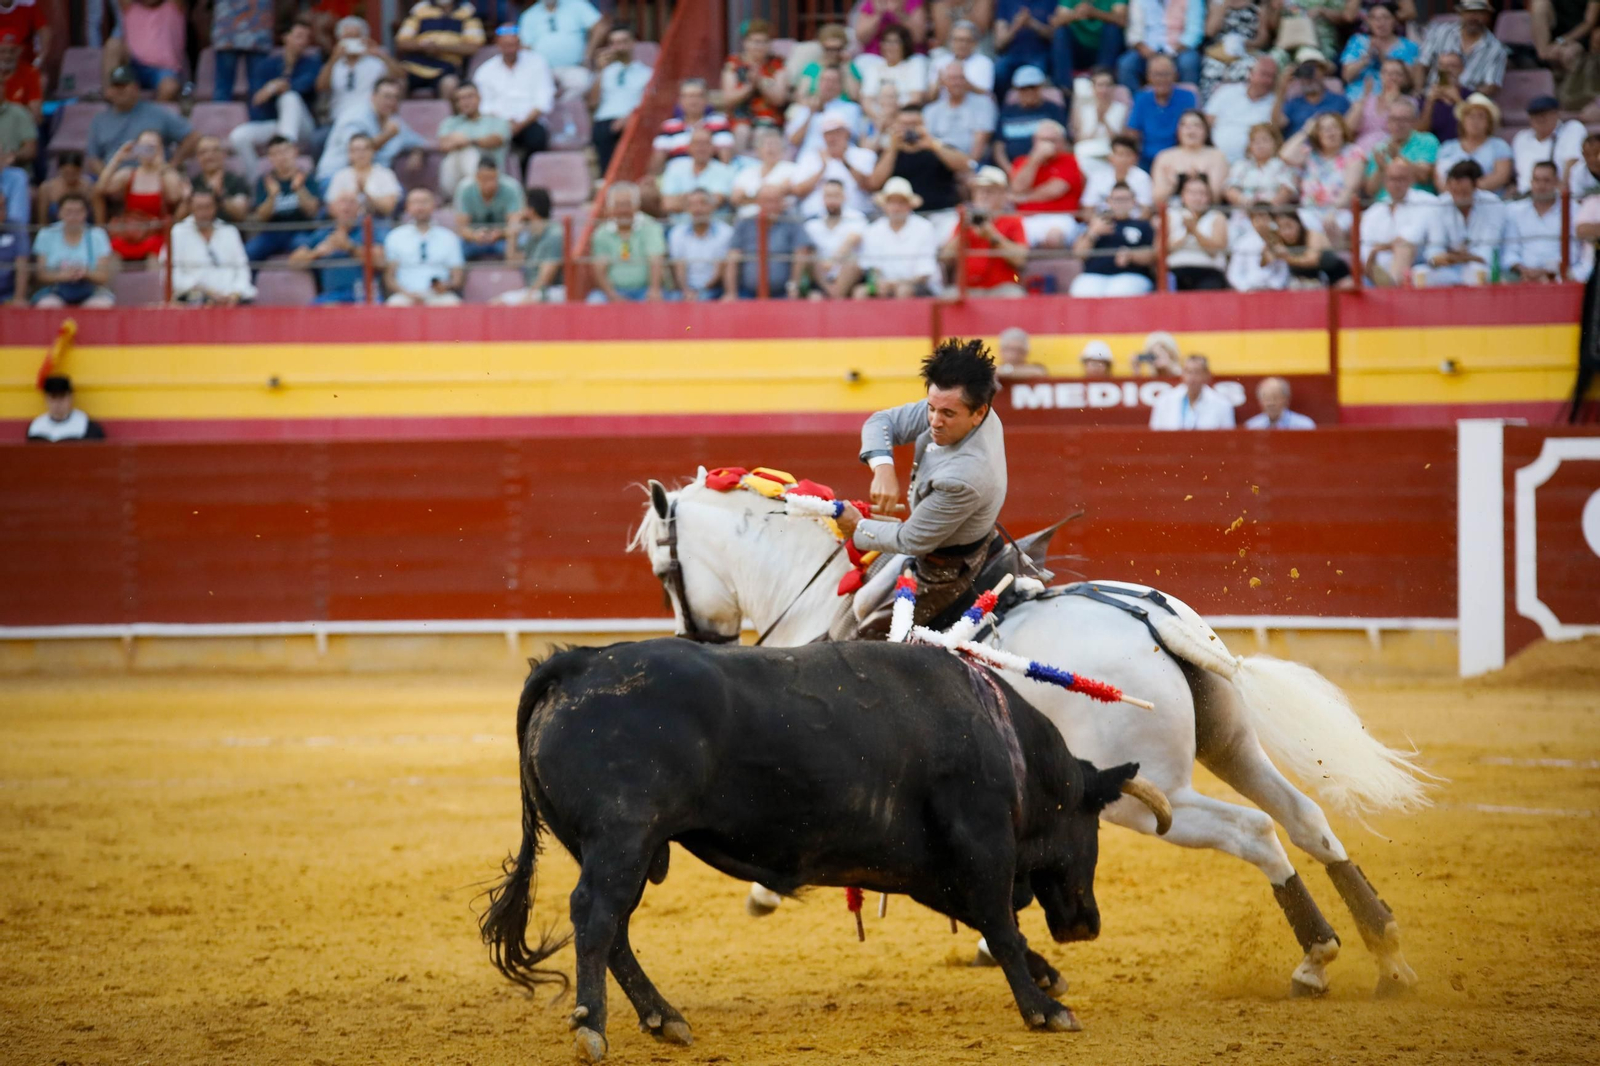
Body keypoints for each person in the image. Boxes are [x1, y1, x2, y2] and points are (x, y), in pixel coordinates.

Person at [834, 337, 1008, 636]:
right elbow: (882, 421)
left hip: (945, 570)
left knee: (862, 640)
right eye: (931, 409)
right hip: (946, 535)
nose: (935, 422)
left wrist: (857, 527)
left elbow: (912, 540)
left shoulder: (965, 475)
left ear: (979, 412)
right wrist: (883, 467)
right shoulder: (956, 404)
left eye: (947, 415)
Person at [230, 18, 320, 178]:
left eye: (307, 37)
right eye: (299, 36)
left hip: (304, 127)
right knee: (238, 136)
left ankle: (285, 153)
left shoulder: (312, 63)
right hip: (275, 124)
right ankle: (256, 181)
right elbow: (257, 99)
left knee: (289, 97)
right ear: (286, 37)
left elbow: (302, 86)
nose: (304, 41)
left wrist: (274, 87)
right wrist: (273, 87)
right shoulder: (268, 64)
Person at [869, 103, 968, 233]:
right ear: (896, 125)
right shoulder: (888, 152)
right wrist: (892, 149)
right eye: (905, 124)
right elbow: (874, 183)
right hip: (903, 218)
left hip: (941, 215)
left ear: (924, 125)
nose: (910, 129)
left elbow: (964, 165)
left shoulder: (937, 146)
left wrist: (932, 145)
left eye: (915, 124)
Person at [474, 24, 557, 174]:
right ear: (497, 45)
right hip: (498, 123)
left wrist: (520, 124)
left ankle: (529, 180)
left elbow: (544, 100)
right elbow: (484, 105)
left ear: (519, 44)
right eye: (506, 45)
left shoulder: (537, 63)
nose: (510, 49)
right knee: (488, 141)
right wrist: (505, 124)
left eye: (513, 45)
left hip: (529, 121)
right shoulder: (485, 71)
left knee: (537, 139)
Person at [86, 65, 195, 176]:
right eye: (116, 86)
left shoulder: (156, 112)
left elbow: (192, 137)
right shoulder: (99, 120)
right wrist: (107, 177)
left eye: (124, 85)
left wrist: (171, 165)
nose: (120, 90)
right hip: (114, 180)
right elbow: (93, 158)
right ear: (108, 90)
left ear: (136, 88)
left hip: (153, 178)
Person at [1414, 160, 1507, 288]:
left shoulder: (1493, 205)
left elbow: (1488, 252)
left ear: (1475, 186)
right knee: (1419, 274)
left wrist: (1455, 257)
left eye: (1464, 192)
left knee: (1476, 273)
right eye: (1455, 192)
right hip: (1449, 268)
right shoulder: (1440, 206)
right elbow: (1434, 251)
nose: (1459, 197)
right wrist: (1454, 258)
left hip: (1481, 267)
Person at [95, 129, 183, 261]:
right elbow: (101, 188)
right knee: (113, 254)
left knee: (154, 255)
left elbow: (175, 196)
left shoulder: (166, 174)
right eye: (144, 147)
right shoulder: (129, 174)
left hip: (155, 235)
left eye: (152, 147)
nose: (148, 151)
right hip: (129, 233)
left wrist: (162, 165)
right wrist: (118, 158)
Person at [942, 165, 1028, 297]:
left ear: (1003, 195)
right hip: (967, 288)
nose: (983, 196)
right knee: (948, 297)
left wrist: (992, 236)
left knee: (1015, 296)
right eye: (979, 191)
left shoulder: (1013, 220)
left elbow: (1020, 260)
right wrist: (963, 234)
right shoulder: (964, 220)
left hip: (1002, 288)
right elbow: (946, 258)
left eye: (990, 191)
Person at [317, 79, 426, 183]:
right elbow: (357, 151)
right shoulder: (355, 117)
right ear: (373, 97)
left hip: (375, 181)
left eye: (396, 98)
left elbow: (419, 142)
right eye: (387, 96)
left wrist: (416, 153)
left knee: (401, 196)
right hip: (337, 177)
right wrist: (387, 135)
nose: (391, 102)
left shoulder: (394, 121)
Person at [1282, 112, 1364, 241]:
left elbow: (1350, 189)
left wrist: (1332, 213)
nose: (1330, 132)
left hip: (1339, 211)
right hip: (1308, 211)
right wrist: (1305, 131)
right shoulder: (1310, 153)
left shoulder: (1352, 152)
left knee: (1328, 226)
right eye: (1324, 129)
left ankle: (1320, 257)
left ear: (1342, 131)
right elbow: (1286, 155)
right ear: (1317, 134)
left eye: (1335, 127)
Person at [166, 188, 255, 306]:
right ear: (191, 207)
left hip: (231, 303)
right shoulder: (178, 233)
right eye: (199, 207)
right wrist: (204, 291)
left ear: (215, 207)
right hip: (192, 303)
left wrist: (235, 294)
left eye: (208, 207)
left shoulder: (229, 231)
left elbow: (243, 271)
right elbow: (171, 277)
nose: (203, 213)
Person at [855, 176, 940, 298]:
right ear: (885, 206)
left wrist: (897, 284)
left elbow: (924, 274)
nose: (896, 208)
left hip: (917, 286)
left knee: (903, 291)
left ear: (909, 205)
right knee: (860, 292)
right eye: (892, 203)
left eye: (901, 203)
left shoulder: (925, 228)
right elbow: (871, 268)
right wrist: (879, 284)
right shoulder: (873, 230)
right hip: (884, 285)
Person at [725, 183, 812, 299]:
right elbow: (733, 257)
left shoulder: (792, 222)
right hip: (746, 293)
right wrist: (731, 293)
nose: (771, 206)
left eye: (775, 201)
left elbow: (801, 253)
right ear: (758, 202)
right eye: (767, 201)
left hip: (783, 294)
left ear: (782, 202)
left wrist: (793, 286)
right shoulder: (744, 223)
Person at [1070, 180, 1156, 295]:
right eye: (1116, 199)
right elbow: (1079, 254)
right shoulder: (1097, 224)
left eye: (1124, 199)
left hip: (1130, 275)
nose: (1120, 203)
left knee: (1118, 292)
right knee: (1081, 291)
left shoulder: (1143, 225)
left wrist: (1131, 255)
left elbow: (1153, 256)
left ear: (1133, 202)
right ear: (1108, 201)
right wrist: (1093, 232)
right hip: (1093, 275)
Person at [31, 193, 116, 308]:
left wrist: (85, 273)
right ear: (59, 213)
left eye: (78, 212)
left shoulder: (97, 235)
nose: (73, 216)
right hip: (57, 290)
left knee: (101, 305)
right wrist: (63, 275)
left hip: (90, 290)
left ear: (86, 213)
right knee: (47, 305)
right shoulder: (46, 234)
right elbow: (41, 275)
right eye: (68, 212)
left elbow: (103, 276)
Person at [382, 188, 465, 306]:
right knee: (393, 305)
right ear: (407, 206)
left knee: (454, 304)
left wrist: (445, 286)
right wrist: (407, 293)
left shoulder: (449, 237)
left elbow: (457, 278)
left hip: (439, 296)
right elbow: (389, 277)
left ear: (434, 205)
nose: (420, 207)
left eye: (424, 202)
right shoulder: (395, 236)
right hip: (405, 295)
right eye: (415, 202)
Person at [316, 17, 407, 123]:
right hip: (338, 120)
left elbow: (400, 75)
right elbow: (321, 87)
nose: (351, 42)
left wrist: (379, 54)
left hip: (370, 120)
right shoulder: (333, 64)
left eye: (356, 37)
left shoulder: (376, 62)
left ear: (364, 39)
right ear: (339, 40)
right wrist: (333, 59)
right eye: (347, 37)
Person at [589, 24, 653, 175]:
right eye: (615, 43)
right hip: (605, 120)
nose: (619, 47)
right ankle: (607, 178)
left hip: (633, 118)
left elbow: (649, 104)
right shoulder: (603, 72)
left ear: (633, 43)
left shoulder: (647, 73)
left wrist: (629, 117)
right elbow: (592, 103)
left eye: (624, 41)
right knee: (602, 132)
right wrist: (600, 72)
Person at [588, 181, 667, 303]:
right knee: (594, 301)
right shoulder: (601, 233)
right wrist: (612, 295)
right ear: (610, 208)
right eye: (619, 205)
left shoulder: (651, 227)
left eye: (627, 204)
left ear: (637, 206)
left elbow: (656, 260)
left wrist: (654, 290)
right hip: (614, 291)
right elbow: (599, 270)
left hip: (644, 290)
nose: (623, 210)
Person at [1009, 118, 1084, 246]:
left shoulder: (1069, 160)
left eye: (1052, 140)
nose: (1047, 145)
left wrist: (1022, 198)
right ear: (1034, 141)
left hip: (1058, 217)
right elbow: (1017, 188)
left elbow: (1055, 190)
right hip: (1026, 217)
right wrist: (1035, 159)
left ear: (1062, 142)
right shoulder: (1022, 161)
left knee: (1053, 238)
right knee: (1014, 241)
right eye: (1043, 140)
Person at [1357, 157, 1431, 285]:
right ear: (1385, 181)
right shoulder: (1375, 211)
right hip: (1375, 272)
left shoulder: (1425, 202)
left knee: (1403, 248)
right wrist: (1377, 252)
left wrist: (1378, 248)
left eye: (1401, 179)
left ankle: (1392, 289)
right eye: (1392, 179)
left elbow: (1411, 238)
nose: (1396, 184)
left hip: (1413, 267)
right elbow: (1365, 248)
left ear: (1411, 180)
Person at [247, 135, 322, 261]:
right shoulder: (264, 181)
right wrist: (272, 196)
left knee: (309, 252)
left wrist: (299, 189)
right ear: (270, 158)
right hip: (272, 233)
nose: (281, 157)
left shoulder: (306, 177)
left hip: (300, 231)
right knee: (249, 253)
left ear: (295, 152)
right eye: (275, 154)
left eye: (285, 151)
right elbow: (261, 217)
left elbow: (313, 211)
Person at [288, 191, 371, 304]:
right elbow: (293, 262)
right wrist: (317, 252)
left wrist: (350, 247)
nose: (346, 207)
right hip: (331, 296)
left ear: (359, 209)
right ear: (331, 208)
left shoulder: (367, 229)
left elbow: (380, 260)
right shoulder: (322, 233)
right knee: (312, 313)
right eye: (342, 202)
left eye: (352, 202)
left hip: (363, 294)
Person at [791, 113, 879, 219]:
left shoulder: (864, 155)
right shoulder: (810, 157)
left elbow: (870, 186)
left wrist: (844, 161)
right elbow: (798, 191)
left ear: (847, 133)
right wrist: (822, 168)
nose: (832, 138)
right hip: (815, 218)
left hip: (855, 219)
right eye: (828, 134)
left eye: (837, 132)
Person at [1505, 161, 1580, 283]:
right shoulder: (1515, 211)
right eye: (1537, 180)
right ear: (1531, 182)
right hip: (1522, 276)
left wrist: (1547, 271)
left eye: (1546, 181)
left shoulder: (1572, 209)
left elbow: (1574, 252)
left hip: (1559, 276)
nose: (1541, 186)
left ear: (1557, 183)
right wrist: (1523, 269)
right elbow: (1510, 251)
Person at [1415, 0, 1506, 99]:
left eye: (1479, 12)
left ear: (1487, 16)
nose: (1473, 17)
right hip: (1433, 95)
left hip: (1468, 102)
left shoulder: (1496, 49)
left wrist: (1462, 96)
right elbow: (1421, 64)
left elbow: (1491, 85)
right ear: (1460, 13)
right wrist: (1419, 90)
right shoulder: (1441, 33)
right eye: (1469, 12)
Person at [394, 0, 483, 100]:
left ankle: (446, 116)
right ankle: (396, 116)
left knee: (450, 84)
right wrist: (423, 47)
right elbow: (401, 42)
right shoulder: (420, 8)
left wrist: (440, 48)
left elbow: (473, 47)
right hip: (415, 66)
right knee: (396, 83)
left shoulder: (468, 11)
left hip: (447, 68)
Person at [517, 0, 606, 96]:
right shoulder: (529, 15)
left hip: (574, 68)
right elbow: (525, 47)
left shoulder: (577, 5)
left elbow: (600, 27)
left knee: (583, 85)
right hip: (544, 72)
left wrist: (589, 54)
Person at [1126, 53, 1198, 171]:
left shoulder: (1188, 97)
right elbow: (1133, 133)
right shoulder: (1141, 98)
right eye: (1156, 75)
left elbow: (1193, 129)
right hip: (1146, 160)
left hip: (1178, 158)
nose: (1161, 79)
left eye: (1166, 74)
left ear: (1175, 75)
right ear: (1148, 77)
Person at [438, 82, 511, 196]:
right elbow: (444, 145)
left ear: (479, 98)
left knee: (467, 151)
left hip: (491, 177)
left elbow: (496, 140)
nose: (465, 102)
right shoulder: (450, 123)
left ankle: (476, 190)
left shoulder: (496, 121)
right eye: (460, 99)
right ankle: (461, 194)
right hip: (456, 177)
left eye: (469, 97)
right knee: (455, 155)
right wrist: (460, 143)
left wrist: (468, 141)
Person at [496, 187, 566, 304]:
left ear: (530, 210)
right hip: (535, 291)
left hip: (554, 291)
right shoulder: (532, 236)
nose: (519, 212)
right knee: (497, 304)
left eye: (522, 207)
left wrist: (528, 296)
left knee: (512, 305)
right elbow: (512, 261)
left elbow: (547, 276)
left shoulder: (555, 234)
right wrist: (512, 234)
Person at [722, 18, 788, 140]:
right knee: (741, 132)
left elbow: (779, 98)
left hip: (769, 117)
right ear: (745, 43)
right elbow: (728, 98)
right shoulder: (734, 64)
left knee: (762, 133)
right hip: (740, 116)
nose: (759, 46)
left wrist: (760, 82)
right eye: (755, 42)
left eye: (764, 42)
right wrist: (750, 86)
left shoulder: (777, 65)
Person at [993, 66, 1069, 172]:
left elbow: (1063, 142)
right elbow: (999, 147)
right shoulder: (1007, 112)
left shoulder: (1053, 110)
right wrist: (1010, 170)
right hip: (1012, 169)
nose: (1029, 92)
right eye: (1023, 88)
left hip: (1047, 168)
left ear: (1041, 87)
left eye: (1033, 87)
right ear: (1016, 89)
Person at [803, 179, 869, 300]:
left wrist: (832, 261)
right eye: (828, 196)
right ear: (822, 198)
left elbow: (853, 239)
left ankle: (834, 296)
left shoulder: (856, 218)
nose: (832, 200)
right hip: (822, 277)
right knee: (811, 258)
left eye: (836, 195)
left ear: (844, 196)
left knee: (851, 263)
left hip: (849, 277)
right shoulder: (812, 223)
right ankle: (834, 295)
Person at [1117, 0, 1204, 92]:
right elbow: (1134, 33)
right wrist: (1147, 51)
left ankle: (1188, 102)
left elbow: (1194, 32)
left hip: (1179, 49)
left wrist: (1172, 53)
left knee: (1189, 62)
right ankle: (1137, 103)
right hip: (1148, 50)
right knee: (1126, 64)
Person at [1205, 55, 1279, 163]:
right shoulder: (1226, 91)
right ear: (1251, 73)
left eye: (1272, 77)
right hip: (1216, 160)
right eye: (1264, 74)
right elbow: (1207, 122)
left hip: (1252, 164)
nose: (1267, 81)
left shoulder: (1275, 102)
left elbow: (1277, 131)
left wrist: (1281, 91)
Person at [105, 0, 184, 101]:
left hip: (162, 70)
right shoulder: (129, 6)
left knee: (169, 88)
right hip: (134, 66)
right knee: (113, 45)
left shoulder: (174, 6)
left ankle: (151, 116)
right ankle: (109, 99)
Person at [1435, 93, 1512, 196]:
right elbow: (1439, 179)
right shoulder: (1447, 147)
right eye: (1470, 116)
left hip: (1488, 202)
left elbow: (1501, 176)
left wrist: (1466, 190)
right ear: (1463, 120)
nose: (1475, 121)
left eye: (1481, 116)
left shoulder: (1499, 146)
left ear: (1488, 122)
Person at [1362, 96, 1437, 198]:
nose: (1398, 124)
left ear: (1414, 121)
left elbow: (1424, 176)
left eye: (1404, 119)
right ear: (1388, 121)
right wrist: (1381, 169)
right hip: (1385, 205)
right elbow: (1370, 190)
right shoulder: (1380, 147)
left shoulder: (1427, 141)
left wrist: (1397, 157)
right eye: (1394, 119)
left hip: (1416, 203)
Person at [1339, 2, 1417, 100]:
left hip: (1392, 99)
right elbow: (1346, 76)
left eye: (1386, 18)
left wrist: (1382, 57)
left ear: (1395, 20)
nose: (1380, 22)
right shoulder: (1357, 41)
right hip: (1355, 98)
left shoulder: (1408, 46)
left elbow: (1409, 82)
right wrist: (1365, 59)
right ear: (1368, 22)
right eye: (1374, 18)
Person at [659, 126, 737, 224]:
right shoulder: (675, 168)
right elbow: (667, 204)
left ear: (713, 148)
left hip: (714, 228)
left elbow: (717, 201)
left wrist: (682, 199)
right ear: (689, 147)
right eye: (697, 143)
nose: (701, 148)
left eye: (705, 143)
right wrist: (704, 201)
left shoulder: (725, 171)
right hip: (678, 228)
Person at [1199, 0, 1275, 101]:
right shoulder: (1218, 3)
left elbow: (1263, 38)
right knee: (1211, 70)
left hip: (1248, 50)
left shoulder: (1259, 5)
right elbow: (1210, 31)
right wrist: (1224, 6)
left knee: (1245, 70)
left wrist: (1244, 43)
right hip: (1219, 51)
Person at [1512, 96, 1587, 197]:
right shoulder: (1521, 138)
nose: (1539, 118)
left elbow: (1572, 164)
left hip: (1557, 197)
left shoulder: (1572, 129)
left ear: (1556, 113)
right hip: (1525, 196)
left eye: (1544, 113)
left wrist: (1563, 192)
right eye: (1535, 114)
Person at [1151, 109, 1229, 205]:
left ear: (1206, 130)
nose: (1191, 131)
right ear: (1178, 130)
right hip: (1173, 212)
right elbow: (1157, 199)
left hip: (1207, 212)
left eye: (1197, 125)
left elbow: (1216, 197)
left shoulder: (1217, 156)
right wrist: (1174, 184)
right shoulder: (1164, 157)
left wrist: (1199, 181)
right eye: (1185, 126)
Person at [785, 64, 866, 157]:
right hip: (809, 158)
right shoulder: (806, 109)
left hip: (838, 159)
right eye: (825, 80)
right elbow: (794, 140)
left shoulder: (851, 109)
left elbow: (851, 137)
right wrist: (811, 114)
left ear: (841, 86)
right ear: (818, 83)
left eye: (833, 81)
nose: (829, 85)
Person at [652, 79, 736, 168]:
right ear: (680, 100)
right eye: (688, 96)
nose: (693, 101)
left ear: (706, 99)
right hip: (676, 178)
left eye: (698, 96)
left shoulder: (719, 122)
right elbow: (657, 160)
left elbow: (726, 160)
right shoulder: (669, 126)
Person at [1165, 173, 1229, 290]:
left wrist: (1194, 231)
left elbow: (1216, 250)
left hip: (1208, 271)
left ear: (1209, 197)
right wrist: (1186, 234)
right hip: (1175, 271)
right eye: (1192, 193)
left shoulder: (1217, 217)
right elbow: (1161, 249)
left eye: (1202, 193)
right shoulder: (1171, 215)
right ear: (1183, 196)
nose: (1197, 197)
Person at [923, 63, 997, 163]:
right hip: (939, 164)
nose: (956, 83)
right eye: (952, 79)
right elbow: (928, 142)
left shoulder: (983, 104)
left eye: (960, 78)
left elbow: (980, 142)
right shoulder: (931, 110)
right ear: (943, 82)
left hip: (973, 164)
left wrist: (968, 166)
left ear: (966, 81)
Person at [669, 187, 734, 300]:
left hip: (713, 289)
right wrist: (687, 291)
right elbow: (679, 267)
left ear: (712, 207)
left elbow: (719, 271)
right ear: (687, 209)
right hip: (685, 289)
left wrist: (700, 292)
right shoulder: (677, 233)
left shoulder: (725, 232)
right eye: (692, 205)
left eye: (703, 203)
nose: (697, 209)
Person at [455, 157, 525, 260]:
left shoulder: (511, 188)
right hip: (474, 240)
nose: (490, 184)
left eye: (493, 178)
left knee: (524, 242)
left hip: (503, 239)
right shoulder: (465, 189)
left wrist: (501, 233)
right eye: (485, 179)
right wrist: (475, 235)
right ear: (477, 177)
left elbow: (515, 224)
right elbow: (461, 228)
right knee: (454, 249)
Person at [324, 133, 402, 219]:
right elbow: (331, 208)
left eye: (365, 149)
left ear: (373, 151)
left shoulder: (385, 174)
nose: (361, 153)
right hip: (347, 223)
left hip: (377, 222)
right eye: (357, 149)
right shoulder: (341, 176)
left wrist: (365, 194)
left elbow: (389, 207)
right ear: (350, 153)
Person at [1267, 208, 1352, 288]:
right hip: (1307, 285)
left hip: (1337, 278)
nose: (1286, 232)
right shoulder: (1279, 240)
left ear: (1298, 223)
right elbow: (1267, 259)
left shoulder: (1313, 235)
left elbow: (1312, 260)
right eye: (1281, 228)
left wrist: (1287, 258)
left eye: (1289, 226)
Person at [1053, 0, 1129, 87]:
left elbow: (1122, 20)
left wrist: (1095, 13)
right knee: (1061, 32)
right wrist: (1075, 14)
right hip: (1078, 50)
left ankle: (1103, 80)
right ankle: (1064, 87)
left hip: (1105, 50)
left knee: (1112, 29)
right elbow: (1055, 22)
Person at [211, 0, 275, 103]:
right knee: (224, 88)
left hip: (254, 31)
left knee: (259, 90)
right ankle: (219, 118)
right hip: (229, 31)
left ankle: (258, 118)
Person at [1149, 354, 1236, 429]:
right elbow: (1155, 436)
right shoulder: (1164, 400)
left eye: (1197, 372)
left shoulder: (1222, 404)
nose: (1192, 377)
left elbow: (1227, 439)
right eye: (1188, 372)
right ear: (1182, 374)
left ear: (1207, 375)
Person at [993, 0, 1059, 97]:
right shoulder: (1005, 2)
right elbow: (999, 43)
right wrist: (1016, 26)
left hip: (1039, 54)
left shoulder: (1050, 2)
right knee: (998, 73)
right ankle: (1003, 108)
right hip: (1011, 55)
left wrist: (1032, 24)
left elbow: (1055, 36)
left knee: (1033, 77)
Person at [1348, 56, 1413, 152]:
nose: (1391, 77)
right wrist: (1363, 99)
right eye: (1387, 73)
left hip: (1391, 150)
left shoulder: (1409, 102)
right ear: (1381, 75)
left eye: (1397, 74)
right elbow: (1348, 129)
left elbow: (1407, 132)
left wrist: (1392, 100)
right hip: (1361, 149)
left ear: (1404, 78)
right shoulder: (1368, 99)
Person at [731, 127, 798, 219]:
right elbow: (736, 198)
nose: (771, 148)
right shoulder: (747, 171)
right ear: (758, 150)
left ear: (783, 149)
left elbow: (780, 192)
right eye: (767, 144)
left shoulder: (791, 169)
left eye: (775, 144)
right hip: (747, 221)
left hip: (779, 220)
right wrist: (768, 197)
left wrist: (748, 197)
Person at [1277, 56, 1351, 138]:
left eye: (1313, 69)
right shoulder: (1293, 103)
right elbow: (1277, 124)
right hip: (1298, 147)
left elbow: (1348, 131)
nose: (1309, 75)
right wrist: (1281, 90)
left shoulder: (1339, 101)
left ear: (1323, 73)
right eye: (1305, 70)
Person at [1225, 123, 1297, 206]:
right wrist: (1248, 204)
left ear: (1275, 143)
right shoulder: (1241, 165)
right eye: (1255, 141)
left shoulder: (1281, 165)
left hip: (1274, 212)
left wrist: (1267, 208)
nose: (1259, 145)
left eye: (1264, 140)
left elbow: (1287, 190)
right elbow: (1229, 190)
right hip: (1245, 211)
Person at [860, 24, 931, 108]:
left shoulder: (915, 63)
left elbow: (916, 98)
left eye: (895, 42)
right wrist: (879, 119)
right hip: (878, 117)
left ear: (905, 44)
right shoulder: (874, 67)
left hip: (905, 116)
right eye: (886, 42)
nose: (889, 46)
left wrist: (894, 118)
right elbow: (866, 101)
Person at [1070, 67, 1128, 170]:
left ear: (1113, 87)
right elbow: (1078, 139)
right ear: (1093, 87)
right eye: (1100, 85)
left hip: (1111, 153)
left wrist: (1104, 121)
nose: (1104, 90)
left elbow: (1121, 140)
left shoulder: (1122, 109)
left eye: (1108, 85)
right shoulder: (1082, 109)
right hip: (1086, 153)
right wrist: (1097, 120)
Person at [1082, 133, 1155, 211]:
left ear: (1135, 158)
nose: (1123, 159)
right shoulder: (1097, 177)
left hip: (1133, 221)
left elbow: (1146, 210)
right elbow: (1088, 208)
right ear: (1110, 157)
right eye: (1120, 154)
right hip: (1104, 220)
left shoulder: (1143, 178)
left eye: (1127, 155)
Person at [1227, 203, 1291, 291]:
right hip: (1248, 290)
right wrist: (1246, 289)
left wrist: (1273, 287)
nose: (1261, 222)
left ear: (1272, 219)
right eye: (1256, 218)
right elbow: (1234, 274)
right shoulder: (1242, 243)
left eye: (1264, 217)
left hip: (1273, 291)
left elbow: (1283, 271)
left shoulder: (1279, 241)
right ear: (1251, 221)